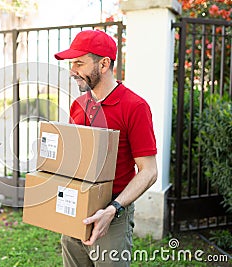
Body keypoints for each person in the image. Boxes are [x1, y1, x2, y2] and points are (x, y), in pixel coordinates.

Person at [54, 30, 158, 266]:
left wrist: (113, 209)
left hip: (112, 215)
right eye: (72, 64)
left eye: (79, 63)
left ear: (104, 64)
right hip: (76, 209)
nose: (73, 70)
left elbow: (149, 171)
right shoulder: (78, 106)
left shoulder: (135, 106)